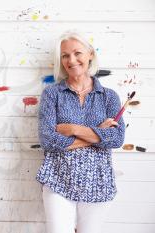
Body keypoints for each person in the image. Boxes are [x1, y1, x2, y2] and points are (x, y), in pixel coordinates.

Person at [36, 30, 125, 233]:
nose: (72, 60)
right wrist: (97, 133)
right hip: (58, 179)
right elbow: (48, 140)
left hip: (98, 181)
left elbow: (116, 138)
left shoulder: (109, 97)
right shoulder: (52, 94)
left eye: (77, 53)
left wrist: (72, 129)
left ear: (90, 54)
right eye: (65, 55)